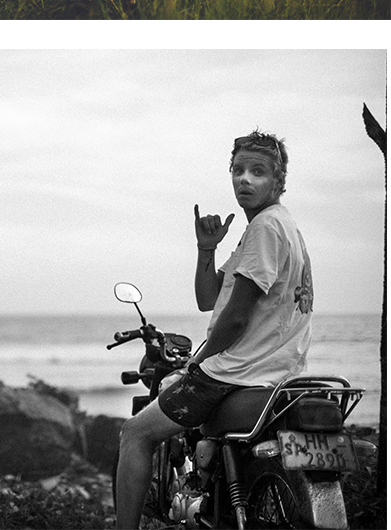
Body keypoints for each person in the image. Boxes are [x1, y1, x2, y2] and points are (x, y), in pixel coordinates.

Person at [114, 130, 313, 530]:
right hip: (276, 375)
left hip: (236, 373)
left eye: (258, 171)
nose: (245, 179)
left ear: (279, 180)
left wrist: (197, 364)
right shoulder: (279, 228)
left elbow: (235, 318)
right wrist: (207, 249)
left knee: (135, 433)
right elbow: (209, 298)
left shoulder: (266, 229)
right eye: (238, 170)